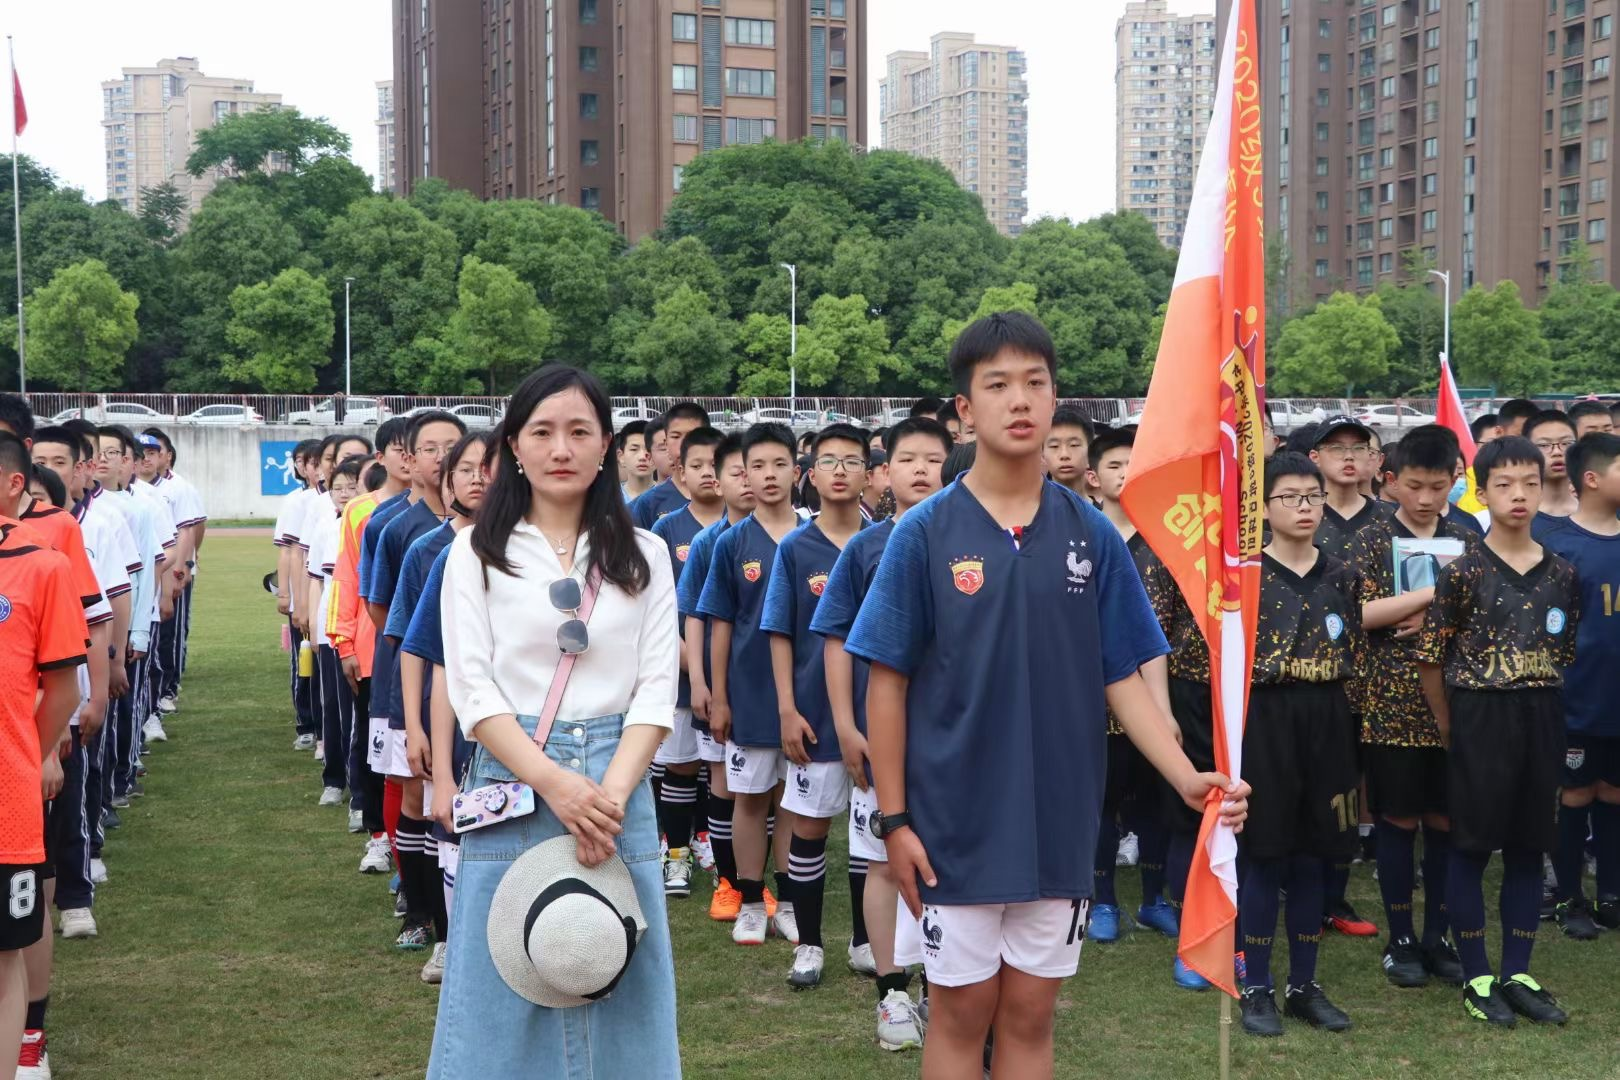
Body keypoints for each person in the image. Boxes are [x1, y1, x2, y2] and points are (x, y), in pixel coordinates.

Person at [845, 312, 1248, 1079]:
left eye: (1035, 383)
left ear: (1055, 396)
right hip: (951, 825)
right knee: (961, 1014)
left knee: (1031, 1015)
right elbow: (886, 685)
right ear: (964, 409)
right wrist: (894, 820)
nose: (1019, 400)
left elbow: (1122, 675)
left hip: (1060, 821)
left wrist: (1186, 775)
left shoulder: (1090, 534)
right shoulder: (924, 534)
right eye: (997, 385)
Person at [429, 364, 680, 1078]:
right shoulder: (474, 554)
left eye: (579, 431)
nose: (560, 448)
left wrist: (609, 793)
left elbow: (656, 691)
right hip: (514, 775)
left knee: (618, 976)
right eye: (542, 431)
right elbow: (474, 694)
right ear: (513, 445)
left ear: (607, 445)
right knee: (501, 997)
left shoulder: (649, 555)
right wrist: (554, 784)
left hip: (618, 785)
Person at [1418, 435, 1576, 1027]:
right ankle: (1478, 973)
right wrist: (1448, 724)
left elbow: (1564, 652)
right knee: (1472, 845)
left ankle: (1518, 971)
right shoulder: (1462, 572)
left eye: (1529, 484)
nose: (1518, 495)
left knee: (1530, 846)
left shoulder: (1563, 574)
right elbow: (1431, 657)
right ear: (1482, 491)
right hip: (1478, 714)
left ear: (1542, 489)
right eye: (1504, 485)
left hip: (1541, 715)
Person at [812, 416, 949, 1052]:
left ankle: (939, 986)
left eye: (934, 458)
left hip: (950, 738)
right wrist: (846, 724)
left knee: (943, 858)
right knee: (880, 861)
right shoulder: (865, 550)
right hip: (877, 735)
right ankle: (891, 990)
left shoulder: (961, 540)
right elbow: (837, 639)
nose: (921, 469)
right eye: (907, 460)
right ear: (882, 474)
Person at [1345, 425, 1476, 991]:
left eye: (1438, 487)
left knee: (1446, 823)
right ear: (1391, 481)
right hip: (1388, 703)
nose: (1426, 500)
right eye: (1415, 486)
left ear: (1455, 481)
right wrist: (1436, 594)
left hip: (1453, 703)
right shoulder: (1372, 540)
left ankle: (1438, 935)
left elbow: (1485, 616)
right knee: (1398, 820)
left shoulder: (1469, 536)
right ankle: (1400, 938)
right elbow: (1360, 614)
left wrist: (1430, 615)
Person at [1236, 453, 1361, 1037]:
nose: (1306, 506)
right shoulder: (1245, 576)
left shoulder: (1343, 575)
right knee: (1265, 853)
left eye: (1313, 495)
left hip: (1329, 720)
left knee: (1317, 853)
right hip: (1266, 720)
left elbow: (1354, 649)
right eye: (1290, 496)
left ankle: (1304, 984)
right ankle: (1255, 983)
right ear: (1263, 507)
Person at [761, 423, 871, 989]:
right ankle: (807, 943)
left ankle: (864, 938)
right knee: (806, 826)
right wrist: (786, 707)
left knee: (868, 829)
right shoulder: (795, 549)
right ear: (811, 474)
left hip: (876, 715)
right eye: (828, 460)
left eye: (852, 461)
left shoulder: (888, 540)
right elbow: (779, 630)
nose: (840, 470)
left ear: (870, 473)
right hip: (814, 712)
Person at [0, 431, 91, 1080]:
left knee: (5, 954)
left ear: (12, 486)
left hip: (8, 800)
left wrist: (24, 754)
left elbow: (63, 685)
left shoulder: (42, 566)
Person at [386, 430, 490, 983]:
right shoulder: (432, 551)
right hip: (446, 714)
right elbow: (413, 645)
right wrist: (416, 724)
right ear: (447, 484)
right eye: (467, 469)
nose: (479, 479)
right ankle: (445, 936)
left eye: (489, 468)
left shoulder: (526, 548)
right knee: (444, 821)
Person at [697, 423, 801, 947]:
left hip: (805, 698)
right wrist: (718, 695)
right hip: (749, 696)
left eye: (778, 464)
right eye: (756, 466)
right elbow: (719, 623)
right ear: (742, 474)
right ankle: (749, 897)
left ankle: (786, 900)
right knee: (750, 799)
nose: (767, 475)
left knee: (792, 802)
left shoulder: (815, 535)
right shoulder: (731, 543)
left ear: (795, 470)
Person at [368, 410, 467, 951]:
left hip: (478, 705)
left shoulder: (508, 544)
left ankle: (459, 924)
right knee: (420, 796)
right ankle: (422, 911)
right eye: (434, 449)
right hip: (422, 690)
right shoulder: (405, 534)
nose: (445, 459)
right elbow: (388, 617)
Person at [1082, 427, 1179, 947]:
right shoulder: (1082, 536)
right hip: (1092, 700)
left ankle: (1153, 898)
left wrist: (1163, 710)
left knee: (1154, 803)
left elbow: (1159, 636)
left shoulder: (1165, 542)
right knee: (1100, 803)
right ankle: (1103, 901)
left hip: (1148, 694)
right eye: (1117, 466)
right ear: (1094, 477)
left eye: (1135, 466)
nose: (1127, 475)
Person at [1306, 415, 1389, 938]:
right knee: (1311, 787)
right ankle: (1305, 891)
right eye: (1336, 448)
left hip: (1379, 675)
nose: (1348, 457)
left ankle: (1336, 897)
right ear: (1316, 458)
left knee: (1350, 793)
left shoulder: (1389, 522)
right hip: (1315, 679)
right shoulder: (1298, 516)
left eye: (1358, 447)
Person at [1536, 433, 1620, 939]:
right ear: (1591, 479)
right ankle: (1569, 896)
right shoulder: (1559, 544)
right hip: (1575, 700)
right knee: (1575, 794)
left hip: (1618, 699)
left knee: (1613, 792)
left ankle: (1610, 891)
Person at [677, 433, 756, 922]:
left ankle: (769, 884)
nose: (748, 481)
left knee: (770, 792)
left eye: (756, 469)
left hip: (769, 688)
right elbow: (694, 617)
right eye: (736, 472)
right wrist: (703, 683)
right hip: (722, 686)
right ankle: (729, 883)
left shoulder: (793, 535)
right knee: (725, 783)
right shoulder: (711, 544)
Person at [648, 426, 726, 899]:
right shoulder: (666, 529)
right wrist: (689, 663)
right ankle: (674, 854)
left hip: (737, 678)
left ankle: (723, 855)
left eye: (719, 465)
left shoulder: (748, 527)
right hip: (679, 673)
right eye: (698, 465)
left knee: (726, 775)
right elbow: (654, 608)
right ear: (680, 470)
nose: (709, 474)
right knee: (680, 767)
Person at [329, 418, 411, 846]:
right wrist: (342, 640)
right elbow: (346, 578)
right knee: (373, 738)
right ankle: (377, 829)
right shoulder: (362, 511)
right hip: (371, 641)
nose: (410, 458)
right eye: (400, 449)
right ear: (382, 458)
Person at [306, 457, 365, 811]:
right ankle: (334, 779)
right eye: (337, 487)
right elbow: (317, 581)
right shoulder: (327, 528)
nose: (344, 494)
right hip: (331, 629)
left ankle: (359, 788)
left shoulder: (364, 523)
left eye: (351, 486)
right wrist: (315, 628)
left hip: (360, 631)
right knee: (332, 706)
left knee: (355, 710)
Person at [630, 403, 711, 529]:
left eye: (692, 435)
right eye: (676, 436)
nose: (683, 444)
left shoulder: (730, 494)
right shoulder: (648, 503)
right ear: (666, 444)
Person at [1524, 411, 1579, 521]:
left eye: (1566, 443)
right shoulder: (1518, 518)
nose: (1557, 452)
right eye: (1544, 445)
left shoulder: (1600, 513)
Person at [1042, 408, 1094, 503]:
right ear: (1043, 454)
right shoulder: (1030, 515)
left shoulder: (1103, 516)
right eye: (1054, 446)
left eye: (1074, 445)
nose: (1064, 455)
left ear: (1091, 452)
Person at [616, 421, 655, 502]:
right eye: (634, 449)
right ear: (621, 457)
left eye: (648, 449)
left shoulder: (670, 495)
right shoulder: (610, 499)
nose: (642, 457)